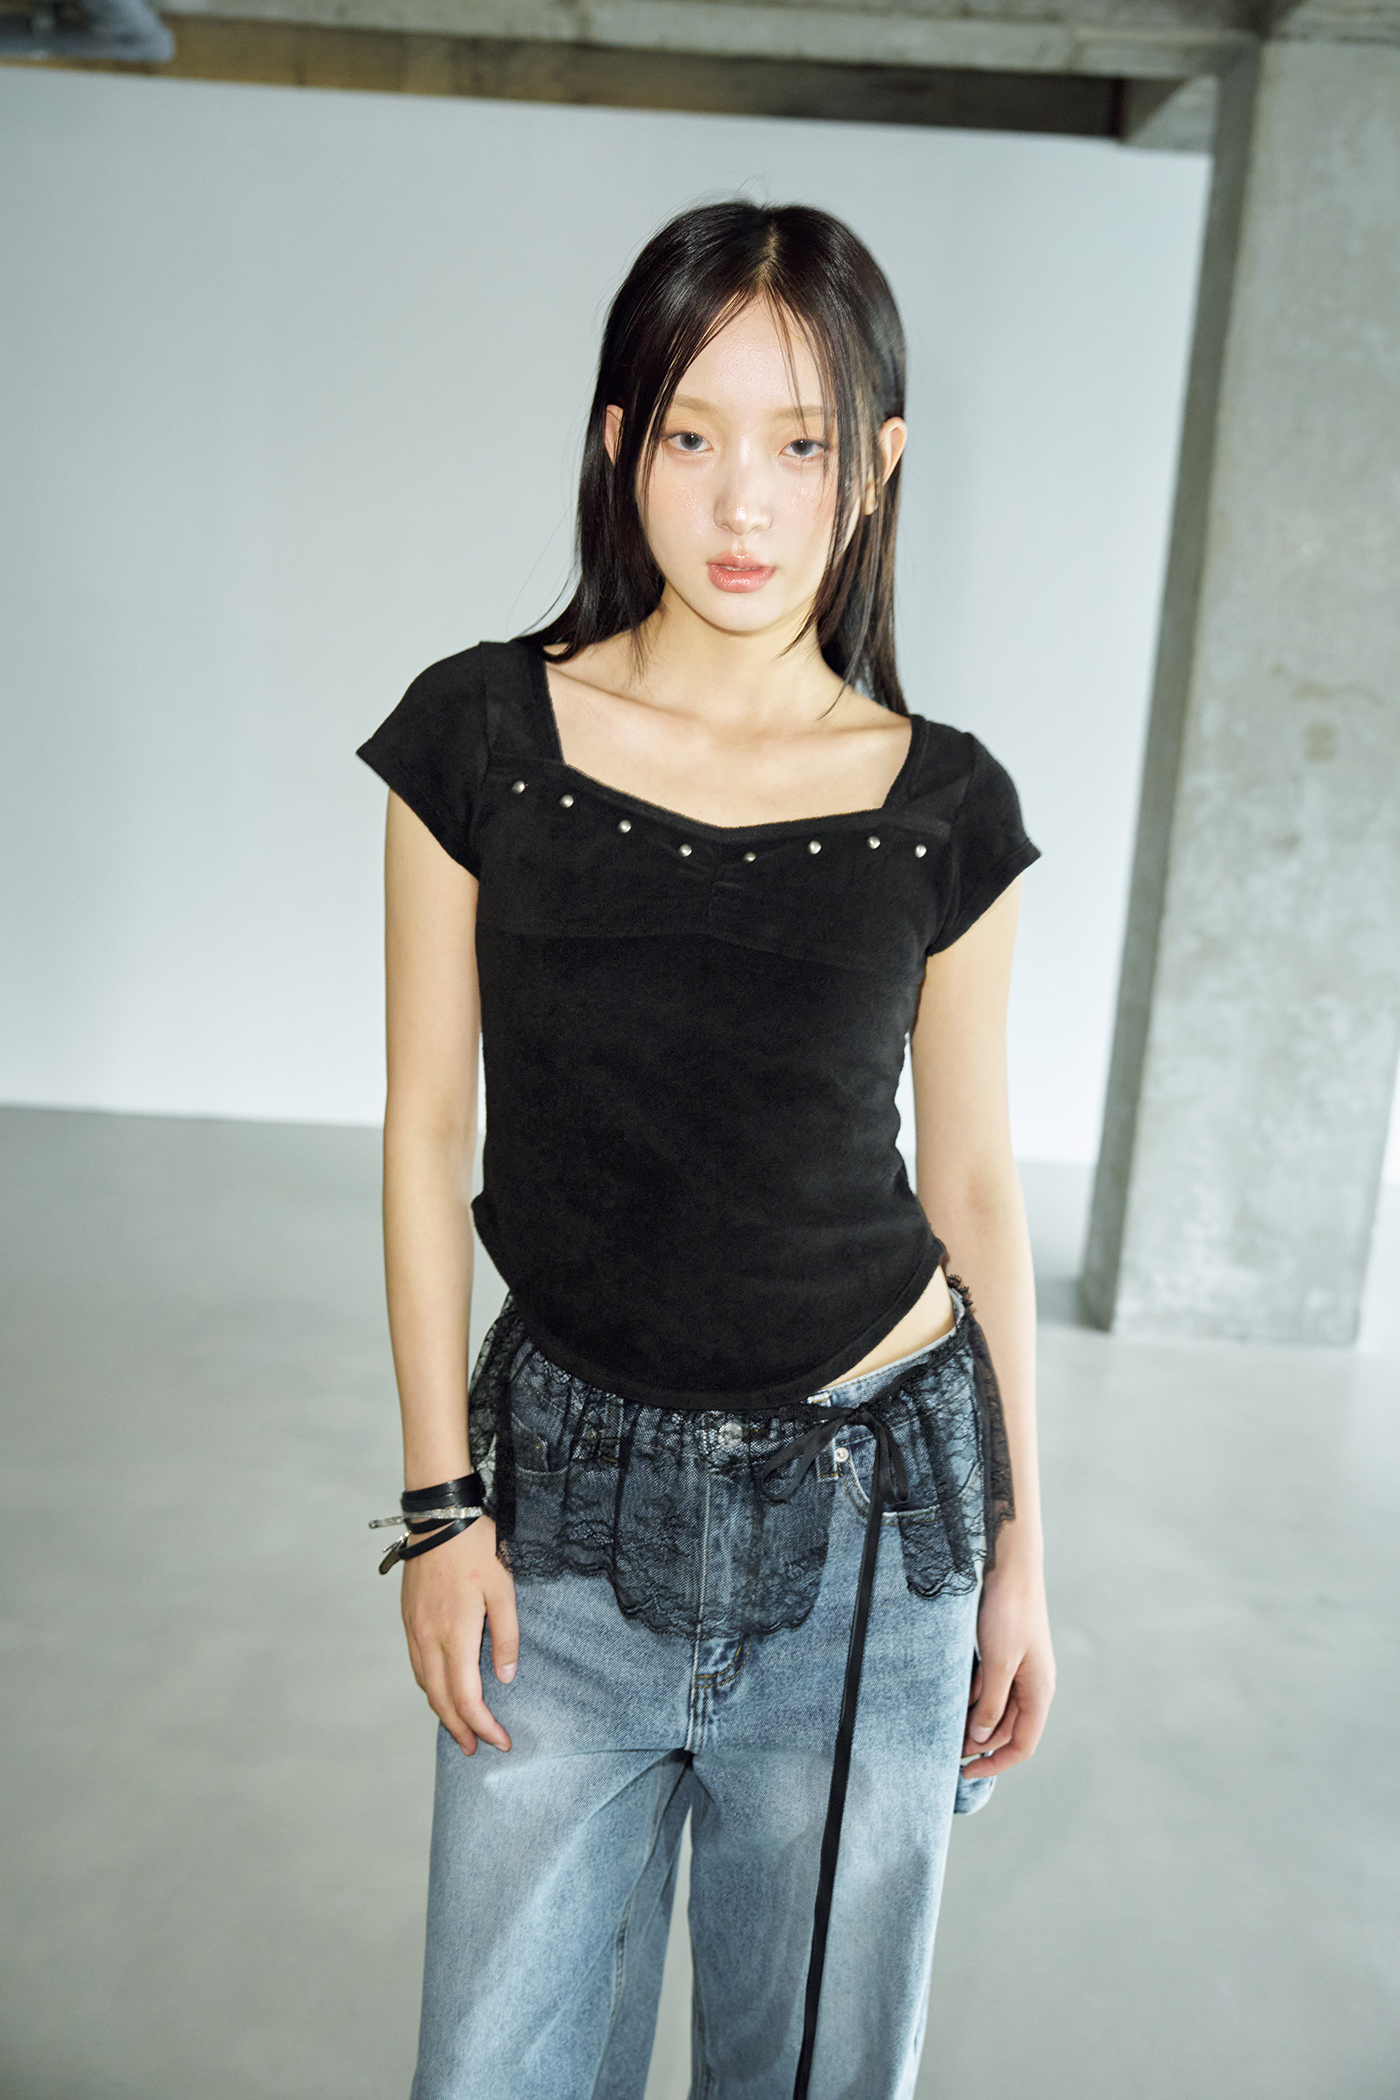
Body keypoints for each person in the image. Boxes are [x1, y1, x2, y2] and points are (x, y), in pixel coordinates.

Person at [357, 199, 1055, 2100]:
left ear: (876, 467)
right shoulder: (482, 735)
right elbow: (425, 1134)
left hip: (875, 1533)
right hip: (560, 1524)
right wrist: (440, 1510)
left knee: (811, 2072)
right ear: (620, 442)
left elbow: (973, 1195)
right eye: (691, 434)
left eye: (802, 444)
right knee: (493, 2068)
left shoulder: (945, 805)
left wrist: (1019, 1558)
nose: (745, 501)